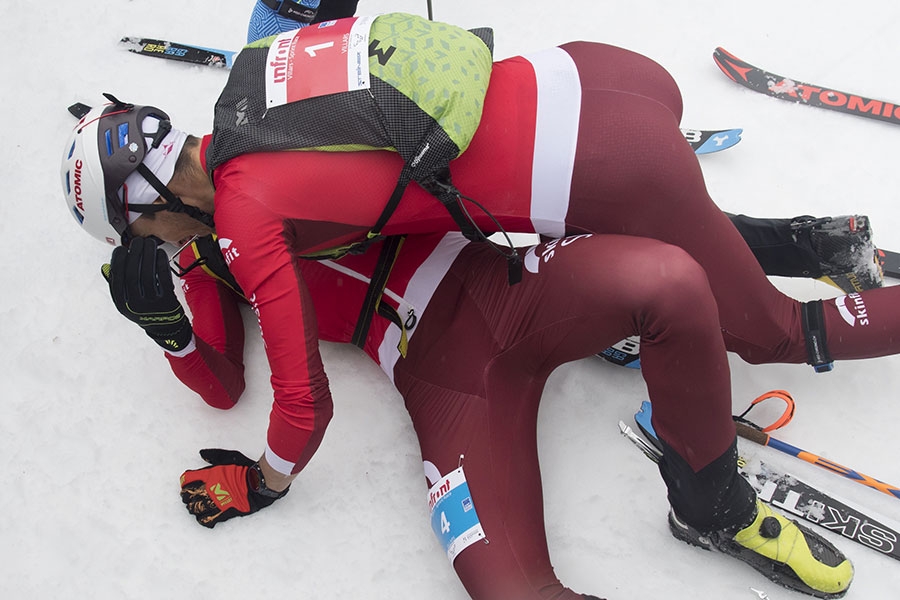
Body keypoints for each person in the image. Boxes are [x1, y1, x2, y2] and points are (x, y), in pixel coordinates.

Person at [62, 11, 892, 598]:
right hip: (443, 368)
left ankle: (715, 503)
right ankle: (781, 245)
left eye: (138, 239)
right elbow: (221, 383)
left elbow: (297, 397)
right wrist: (169, 332)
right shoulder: (245, 131)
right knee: (511, 590)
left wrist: (265, 484)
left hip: (501, 281)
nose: (153, 255)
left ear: (141, 209)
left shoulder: (245, 213)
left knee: (676, 282)